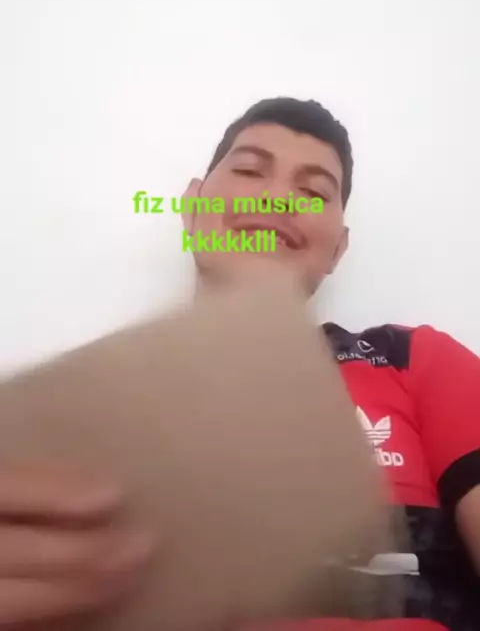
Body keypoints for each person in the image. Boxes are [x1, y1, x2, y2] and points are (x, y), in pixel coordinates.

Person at [1, 96, 479, 630]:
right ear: (192, 208)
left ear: (337, 250)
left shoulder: (414, 362)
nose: (277, 199)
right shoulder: (73, 411)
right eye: (250, 171)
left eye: (313, 192)